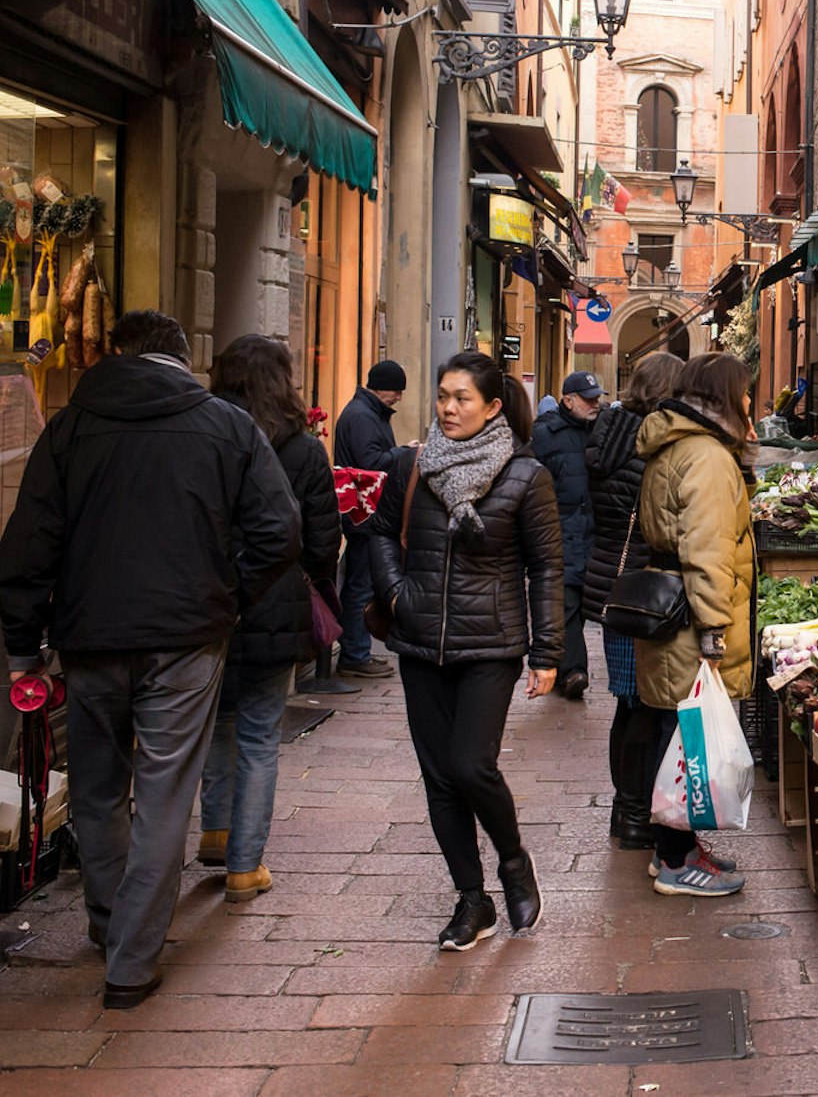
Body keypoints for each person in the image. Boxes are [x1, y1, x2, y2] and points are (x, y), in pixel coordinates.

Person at [0, 310, 300, 1008]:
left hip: (89, 634)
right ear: (182, 357)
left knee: (99, 785)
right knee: (165, 792)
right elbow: (279, 529)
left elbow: (27, 540)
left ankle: (110, 921)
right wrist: (229, 594)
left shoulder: (72, 426)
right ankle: (131, 960)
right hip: (188, 635)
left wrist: (23, 645)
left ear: (118, 354)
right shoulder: (226, 426)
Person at [370, 351, 562, 950]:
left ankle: (512, 862)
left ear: (493, 407)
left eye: (462, 399)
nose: (448, 408)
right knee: (439, 778)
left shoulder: (526, 477)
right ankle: (471, 899)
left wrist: (548, 651)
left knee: (470, 765)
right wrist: (399, 595)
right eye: (442, 396)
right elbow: (378, 532)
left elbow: (547, 567)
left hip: (492, 644)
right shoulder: (413, 464)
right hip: (421, 640)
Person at [198, 336, 341, 903]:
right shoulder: (303, 449)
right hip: (276, 603)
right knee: (259, 732)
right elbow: (323, 539)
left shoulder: (205, 435)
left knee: (217, 720)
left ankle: (216, 828)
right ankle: (244, 864)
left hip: (210, 601)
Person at [634, 353, 756, 897]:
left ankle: (677, 851)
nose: (750, 402)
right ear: (725, 396)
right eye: (745, 392)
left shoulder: (680, 446)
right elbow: (707, 552)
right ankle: (676, 861)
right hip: (690, 621)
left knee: (675, 735)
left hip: (672, 616)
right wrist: (715, 631)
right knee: (684, 741)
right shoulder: (706, 457)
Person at [580, 351, 684, 851]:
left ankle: (627, 811)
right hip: (642, 590)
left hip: (609, 586)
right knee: (641, 706)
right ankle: (635, 813)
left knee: (628, 705)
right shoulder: (650, 446)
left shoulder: (609, 431)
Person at [531, 369, 604, 700]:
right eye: (588, 400)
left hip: (595, 532)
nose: (595, 404)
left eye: (597, 398)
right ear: (568, 400)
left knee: (585, 602)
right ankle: (575, 670)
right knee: (567, 602)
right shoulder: (546, 434)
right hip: (562, 530)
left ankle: (565, 668)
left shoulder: (601, 430)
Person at [331, 360, 405, 679]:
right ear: (382, 387)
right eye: (397, 391)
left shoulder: (367, 413)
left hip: (366, 511)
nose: (399, 398)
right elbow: (371, 463)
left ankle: (356, 650)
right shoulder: (362, 416)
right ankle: (355, 654)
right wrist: (403, 454)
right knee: (360, 583)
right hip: (365, 511)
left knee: (361, 580)